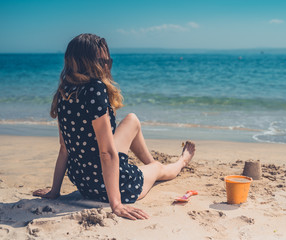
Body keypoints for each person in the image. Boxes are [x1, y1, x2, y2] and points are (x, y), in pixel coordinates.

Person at [33, 33, 196, 220]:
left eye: (108, 61)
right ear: (88, 63)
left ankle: (149, 165)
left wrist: (54, 191)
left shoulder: (64, 91)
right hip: (111, 185)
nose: (107, 65)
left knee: (132, 120)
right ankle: (181, 162)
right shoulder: (95, 89)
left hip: (84, 182)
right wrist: (116, 204)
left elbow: (64, 149)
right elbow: (107, 153)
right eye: (103, 61)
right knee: (159, 168)